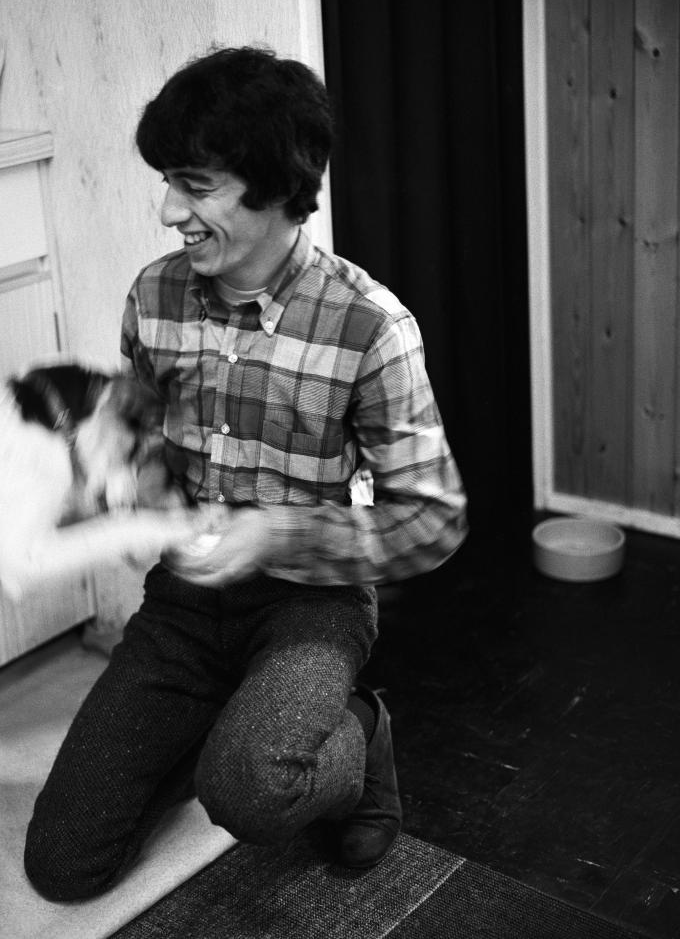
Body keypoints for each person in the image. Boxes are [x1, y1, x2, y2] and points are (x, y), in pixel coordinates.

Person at [24, 45, 467, 900]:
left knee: (249, 790)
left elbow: (433, 520)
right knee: (63, 866)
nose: (166, 211)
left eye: (193, 184)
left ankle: (363, 733)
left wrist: (277, 532)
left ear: (273, 184)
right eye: (166, 181)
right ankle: (227, 718)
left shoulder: (371, 326)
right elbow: (136, 444)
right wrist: (117, 483)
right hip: (184, 607)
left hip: (310, 603)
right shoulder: (152, 298)